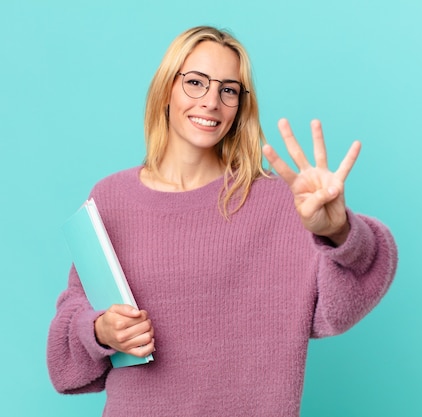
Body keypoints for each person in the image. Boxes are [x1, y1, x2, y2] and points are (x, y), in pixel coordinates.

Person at [47, 26, 398, 417]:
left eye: (228, 90)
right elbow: (67, 350)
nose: (211, 101)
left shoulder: (283, 201)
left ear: (240, 107)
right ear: (166, 90)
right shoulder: (110, 197)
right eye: (196, 82)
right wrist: (99, 331)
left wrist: (337, 231)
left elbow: (351, 293)